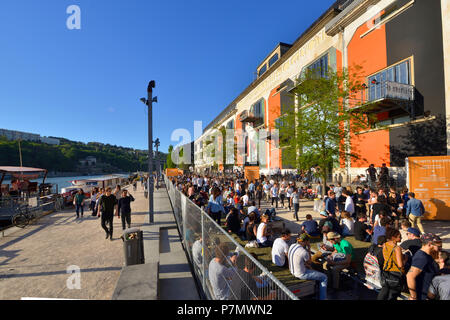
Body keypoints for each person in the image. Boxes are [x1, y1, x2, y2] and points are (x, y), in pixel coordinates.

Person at [288, 233, 328, 300]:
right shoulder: (303, 252)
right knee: (324, 277)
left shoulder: (292, 245)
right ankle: (323, 298)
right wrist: (309, 248)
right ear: (306, 241)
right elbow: (310, 262)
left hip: (292, 270)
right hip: (301, 274)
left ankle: (317, 290)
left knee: (314, 271)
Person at [407, 233, 442, 300]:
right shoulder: (422, 257)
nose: (440, 246)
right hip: (423, 296)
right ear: (429, 244)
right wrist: (413, 296)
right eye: (438, 244)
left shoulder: (427, 255)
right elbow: (410, 276)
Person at [377, 228, 405, 300]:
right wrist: (405, 259)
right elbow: (400, 265)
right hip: (396, 273)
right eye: (399, 236)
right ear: (393, 238)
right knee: (392, 295)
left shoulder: (385, 245)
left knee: (384, 291)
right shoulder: (397, 248)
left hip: (386, 271)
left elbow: (386, 257)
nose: (401, 238)